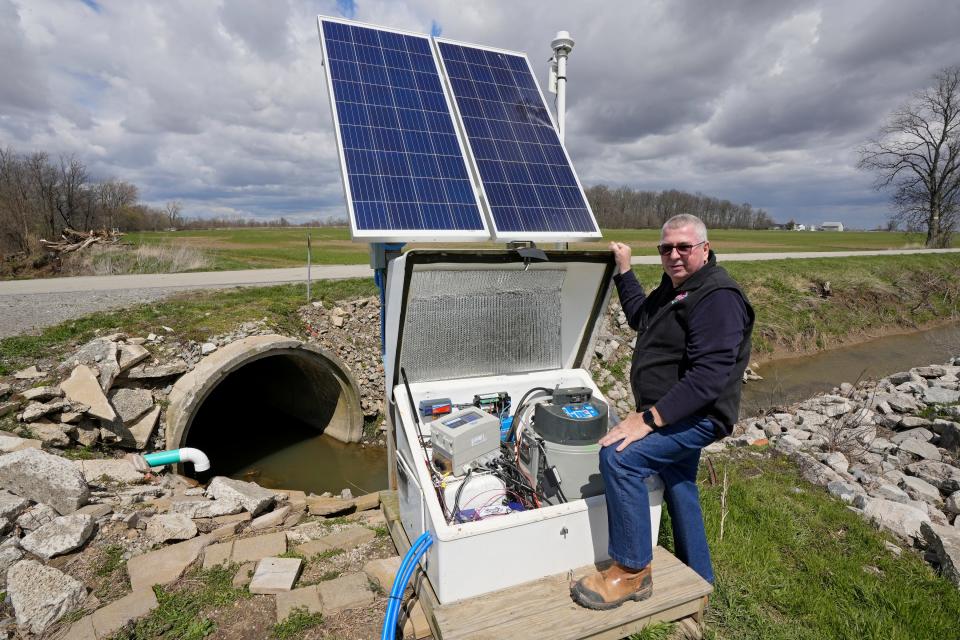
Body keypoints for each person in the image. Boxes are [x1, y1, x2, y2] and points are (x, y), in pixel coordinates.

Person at [571, 213, 754, 610]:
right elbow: (641, 316)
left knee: (620, 459)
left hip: (699, 416)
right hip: (674, 411)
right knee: (679, 482)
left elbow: (709, 379)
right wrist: (624, 270)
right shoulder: (676, 289)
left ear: (704, 249)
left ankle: (632, 572)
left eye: (684, 247)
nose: (674, 254)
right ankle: (700, 577)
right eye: (666, 248)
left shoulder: (717, 297)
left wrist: (648, 420)